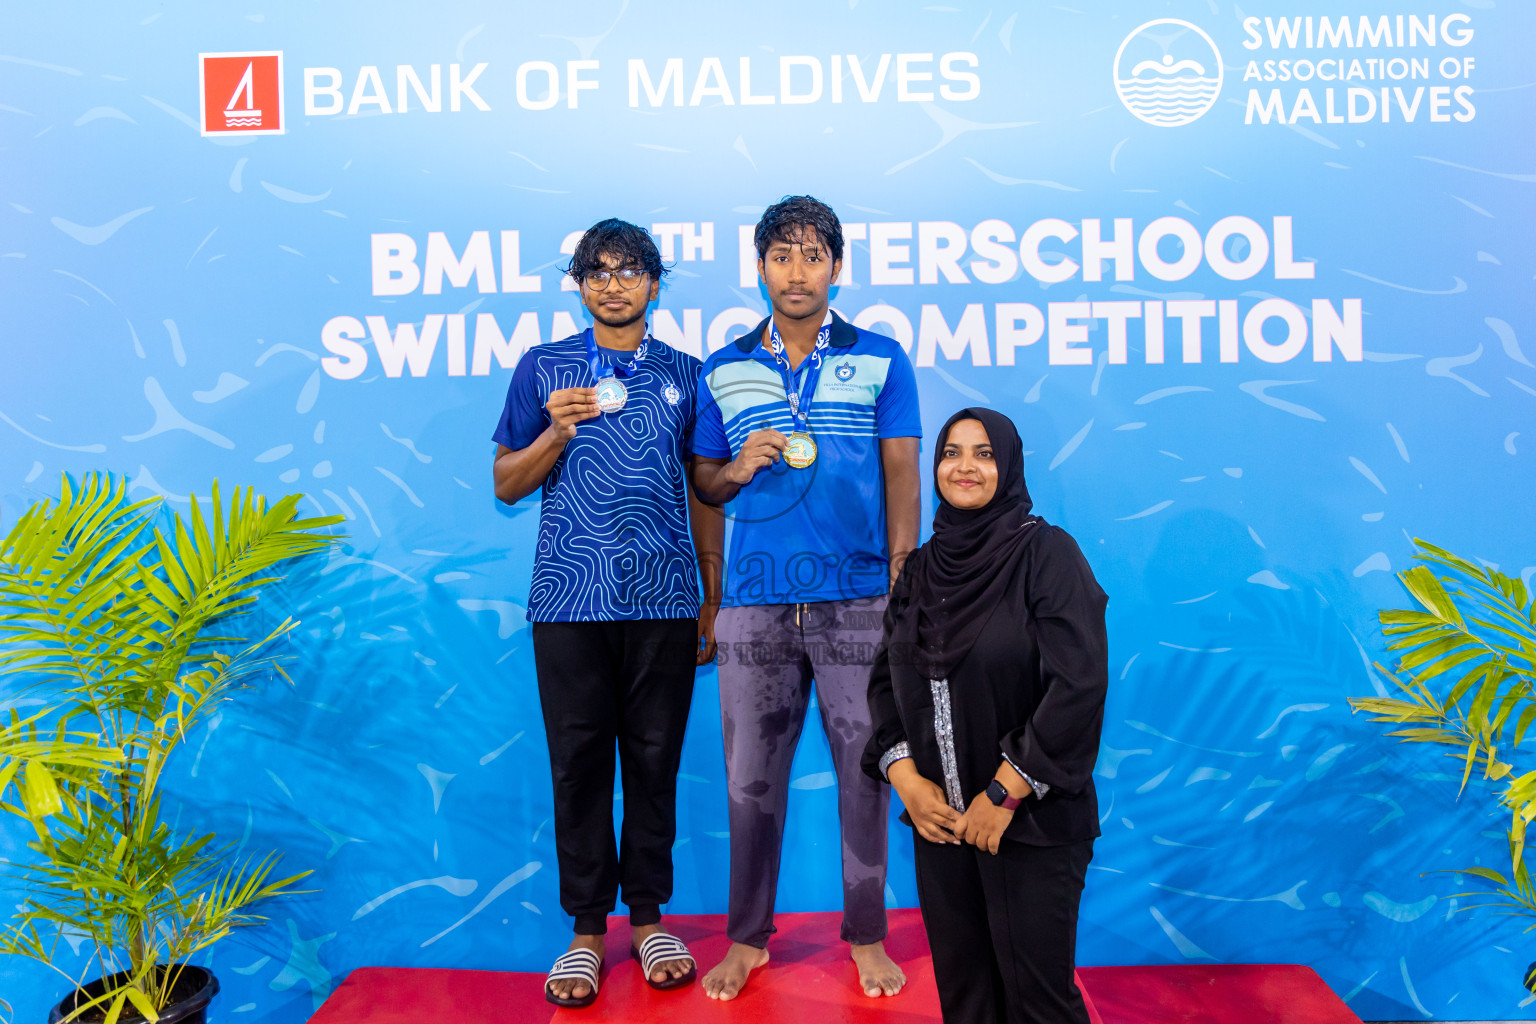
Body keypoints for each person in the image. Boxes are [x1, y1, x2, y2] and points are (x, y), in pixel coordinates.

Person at [689, 195, 922, 1000]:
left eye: (812, 254)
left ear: (836, 266)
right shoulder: (721, 368)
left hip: (858, 599)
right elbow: (705, 486)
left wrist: (904, 580)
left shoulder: (883, 357)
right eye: (780, 255)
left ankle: (866, 936)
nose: (797, 270)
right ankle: (748, 940)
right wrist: (736, 473)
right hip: (754, 603)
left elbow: (901, 471)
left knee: (868, 770)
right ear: (759, 269)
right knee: (750, 777)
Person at [492, 218, 723, 1008]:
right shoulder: (544, 368)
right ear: (580, 284)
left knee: (655, 764)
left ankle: (650, 918)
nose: (613, 283)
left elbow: (704, 490)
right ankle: (587, 932)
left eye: (630, 270)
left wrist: (710, 595)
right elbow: (505, 484)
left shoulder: (688, 376)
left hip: (663, 599)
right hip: (568, 602)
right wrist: (555, 431)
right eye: (597, 270)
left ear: (655, 285)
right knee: (579, 768)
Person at [863, 408, 1108, 1024]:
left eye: (984, 453)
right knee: (966, 998)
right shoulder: (919, 569)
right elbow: (884, 682)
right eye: (950, 453)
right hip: (941, 825)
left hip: (1029, 821)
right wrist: (908, 782)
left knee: (1038, 1002)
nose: (965, 466)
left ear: (1010, 465)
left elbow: (1078, 684)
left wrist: (1002, 793)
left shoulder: (1045, 553)